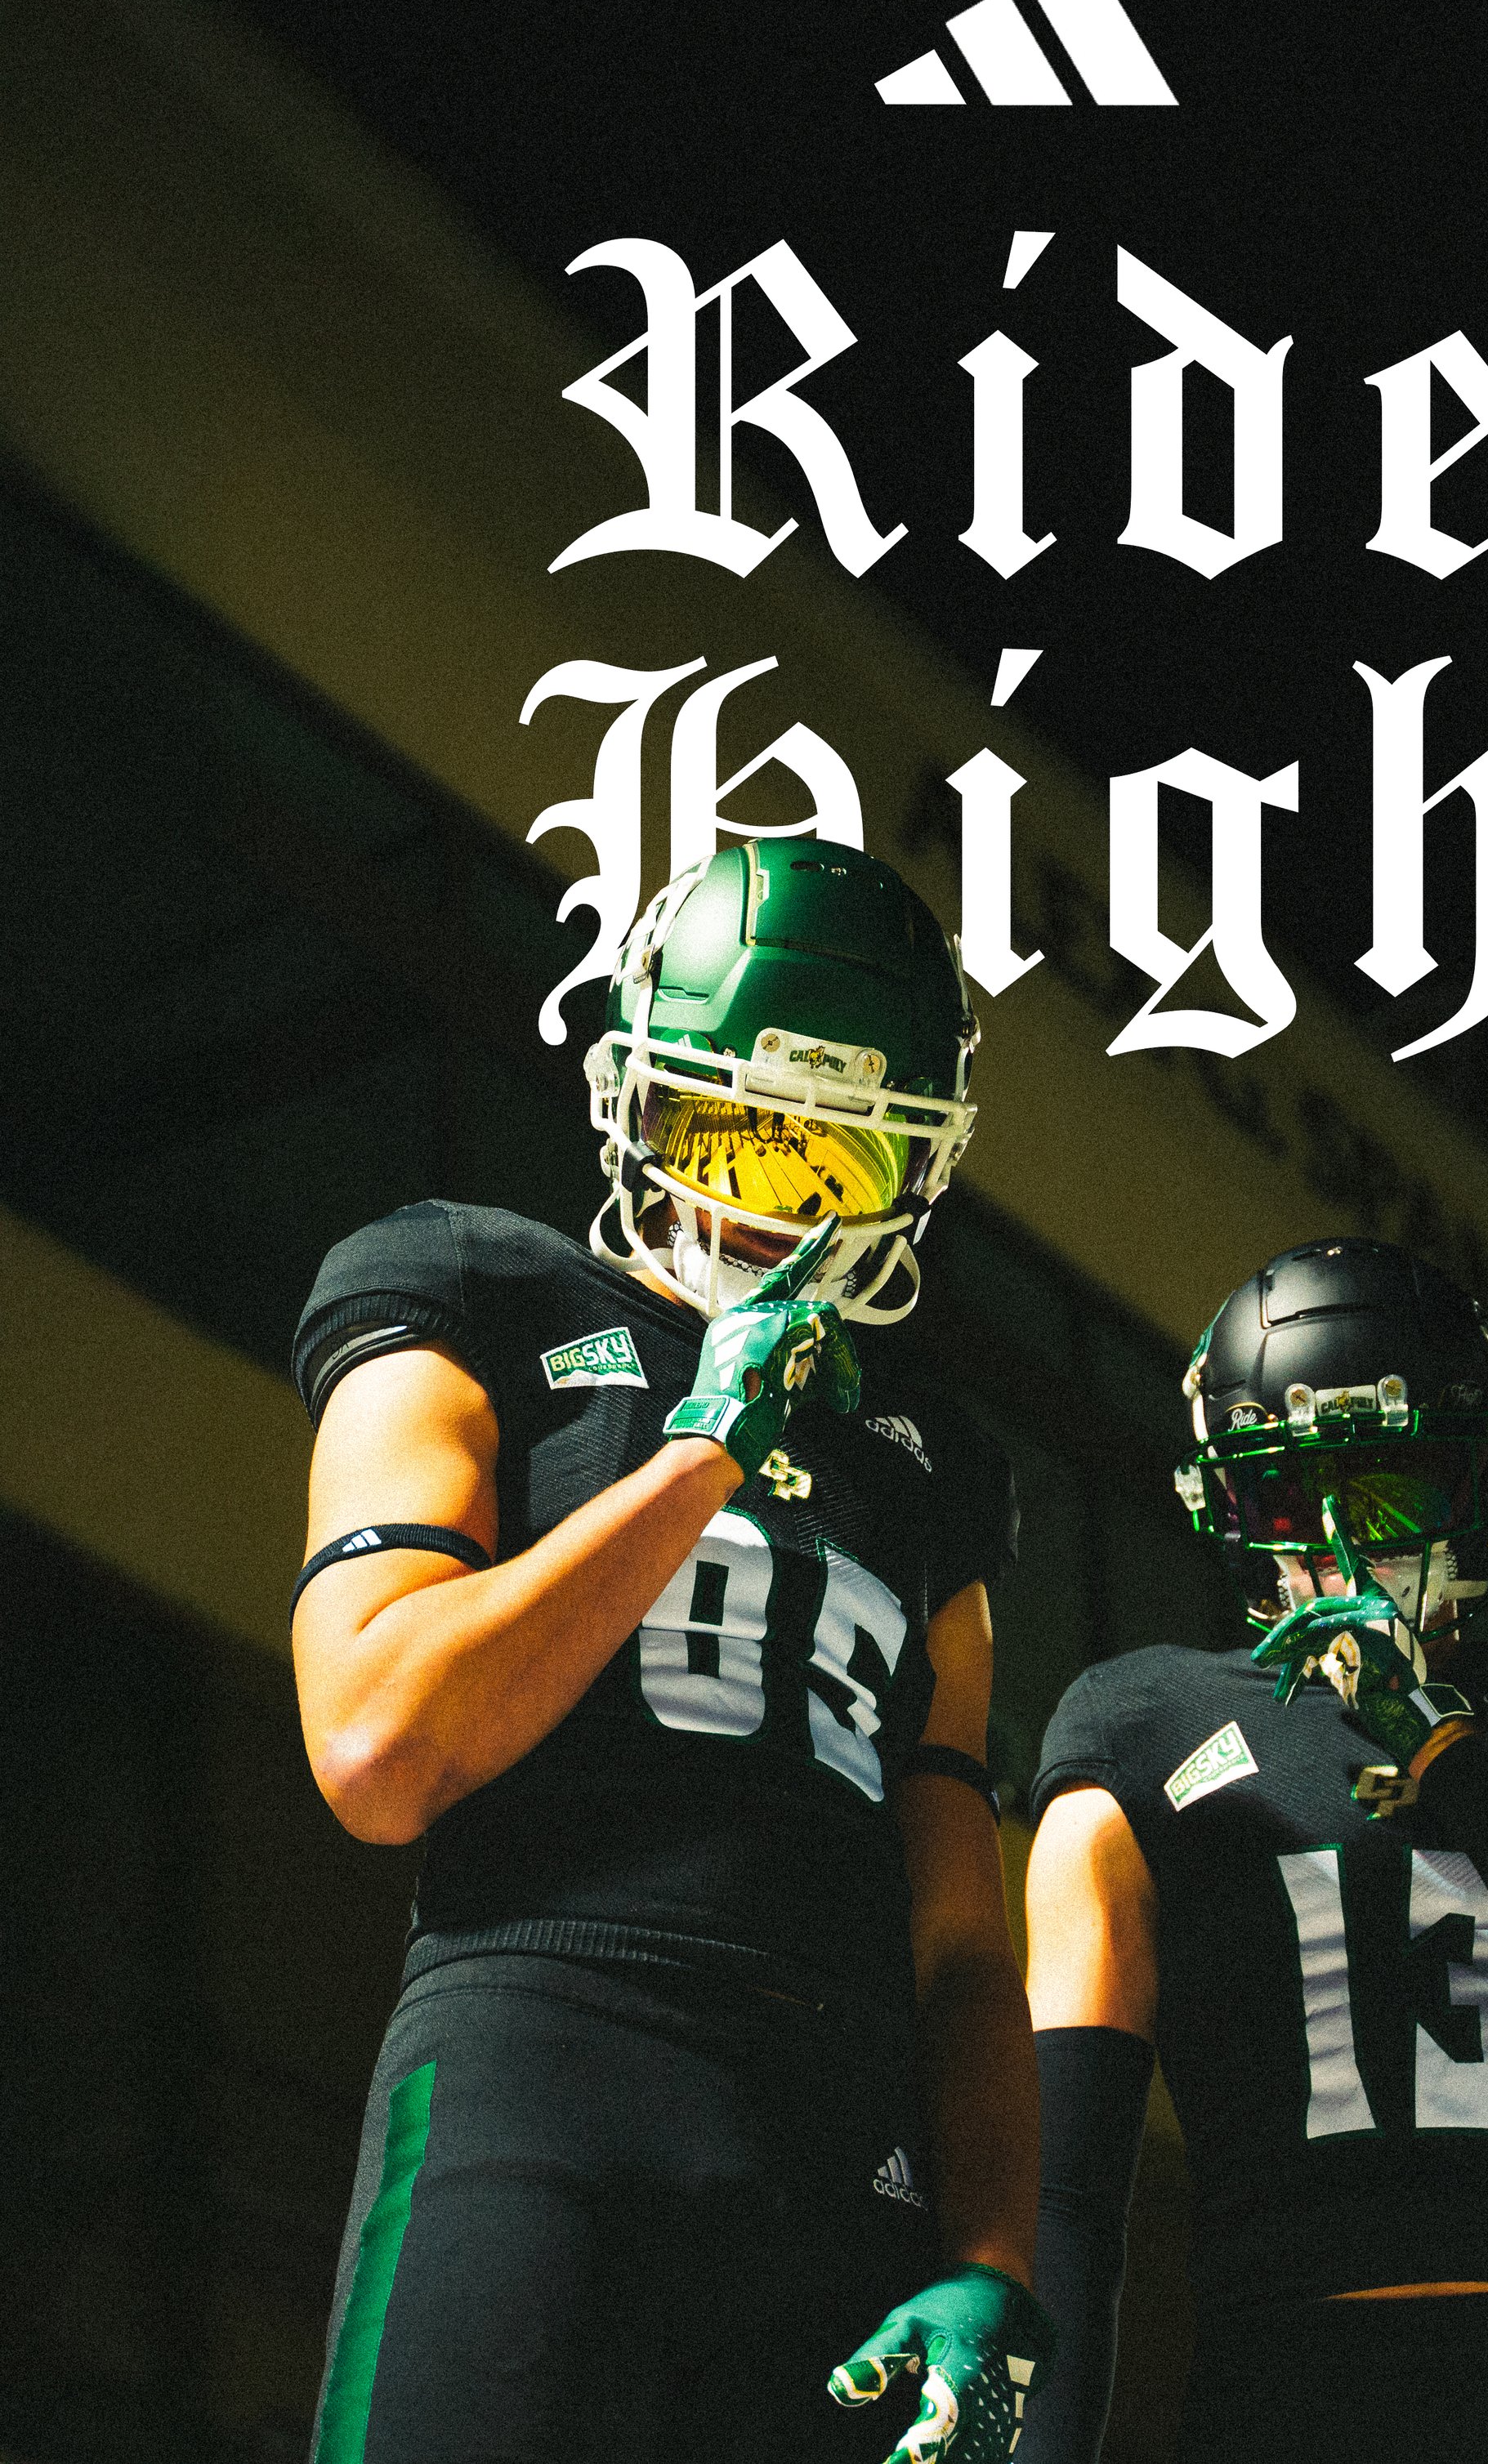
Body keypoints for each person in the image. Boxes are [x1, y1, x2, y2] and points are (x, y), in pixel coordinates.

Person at [289, 840, 1052, 2464]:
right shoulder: (470, 1287)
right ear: (642, 1097)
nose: (786, 1200)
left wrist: (991, 2257)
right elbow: (376, 1748)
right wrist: (699, 1451)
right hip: (540, 2065)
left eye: (842, 1158)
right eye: (741, 1127)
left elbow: (960, 1946)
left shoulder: (930, 1458)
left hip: (840, 2151)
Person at [1021, 1238, 1488, 2464]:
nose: (1348, 1540)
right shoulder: (1141, 1723)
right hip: (1294, 2379)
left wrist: (1449, 1750)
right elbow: (1070, 2186)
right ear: (1227, 1503)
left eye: (1393, 1489)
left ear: (1482, 1479)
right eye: (1295, 1493)